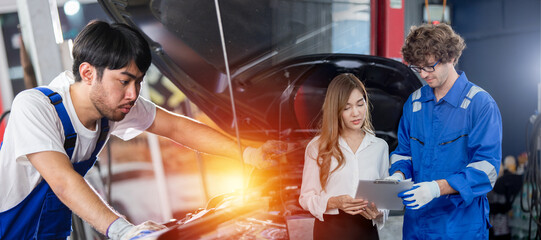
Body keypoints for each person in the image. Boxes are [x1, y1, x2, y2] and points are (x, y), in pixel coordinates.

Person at [0, 20, 280, 240]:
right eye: (124, 81)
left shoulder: (113, 106)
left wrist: (248, 154)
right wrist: (123, 231)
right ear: (87, 74)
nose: (133, 94)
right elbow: (62, 181)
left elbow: (177, 127)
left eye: (139, 82)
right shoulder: (35, 107)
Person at [386, 23, 503, 239]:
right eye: (417, 67)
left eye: (429, 66)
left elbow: (486, 170)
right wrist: (398, 175)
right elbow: (404, 153)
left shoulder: (480, 104)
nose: (423, 74)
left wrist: (436, 188)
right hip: (417, 225)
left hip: (460, 226)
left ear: (451, 57)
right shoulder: (415, 103)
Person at [299, 73, 389, 240]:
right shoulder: (317, 147)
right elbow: (306, 198)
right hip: (330, 232)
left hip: (366, 233)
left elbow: (384, 198)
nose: (356, 113)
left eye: (360, 104)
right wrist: (334, 202)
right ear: (336, 110)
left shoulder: (380, 147)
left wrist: (378, 212)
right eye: (347, 108)